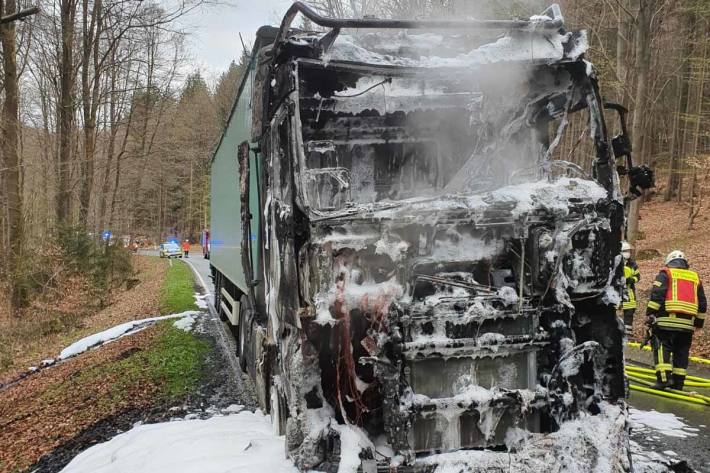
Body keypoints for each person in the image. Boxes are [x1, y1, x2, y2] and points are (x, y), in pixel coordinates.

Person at [646, 250, 707, 390]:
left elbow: (657, 295)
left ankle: (663, 380)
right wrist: (698, 323)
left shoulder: (666, 273)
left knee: (661, 348)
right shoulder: (695, 277)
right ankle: (678, 383)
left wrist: (650, 314)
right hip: (687, 325)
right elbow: (702, 303)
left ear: (669, 262)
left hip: (666, 321)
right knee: (682, 352)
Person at [621, 241, 640, 338]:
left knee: (629, 311)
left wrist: (631, 280)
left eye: (628, 251)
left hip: (629, 292)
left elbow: (638, 276)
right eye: (625, 251)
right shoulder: (615, 262)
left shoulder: (632, 264)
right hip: (616, 292)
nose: (627, 253)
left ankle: (627, 333)